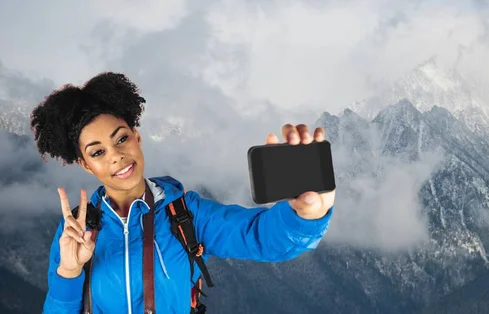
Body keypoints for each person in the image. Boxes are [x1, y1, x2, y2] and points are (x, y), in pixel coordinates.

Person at [30, 72, 335, 313]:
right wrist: (69, 271)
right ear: (85, 164)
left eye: (121, 138)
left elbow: (258, 236)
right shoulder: (75, 232)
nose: (116, 156)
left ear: (137, 136)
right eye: (97, 152)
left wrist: (306, 215)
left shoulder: (185, 215)